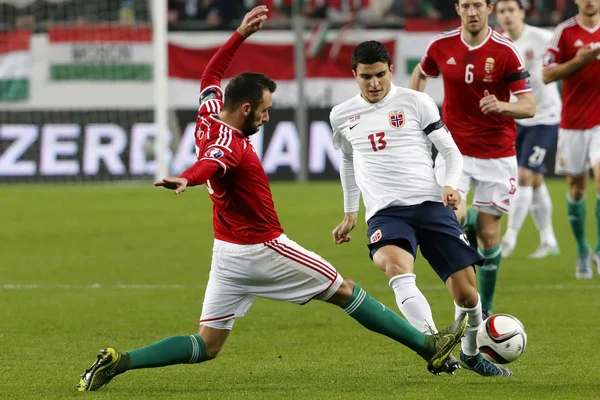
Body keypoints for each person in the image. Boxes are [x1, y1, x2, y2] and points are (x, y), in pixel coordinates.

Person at [76, 6, 468, 392]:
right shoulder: (232, 146)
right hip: (263, 246)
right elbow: (212, 163)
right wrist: (188, 178)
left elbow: (211, 74)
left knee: (207, 344)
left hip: (226, 254)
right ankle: (429, 346)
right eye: (263, 112)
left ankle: (120, 360)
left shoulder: (208, 114)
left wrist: (240, 35)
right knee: (347, 290)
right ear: (245, 109)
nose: (265, 119)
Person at [330, 41, 511, 377]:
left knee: (469, 297)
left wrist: (451, 185)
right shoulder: (341, 115)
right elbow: (347, 158)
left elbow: (452, 153)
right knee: (397, 269)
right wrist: (350, 211)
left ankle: (471, 353)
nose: (374, 83)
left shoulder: (416, 101)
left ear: (390, 71)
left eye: (380, 75)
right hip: (386, 213)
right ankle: (434, 344)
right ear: (354, 75)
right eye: (366, 76)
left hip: (430, 205)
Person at [410, 0, 536, 319]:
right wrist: (416, 116)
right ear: (458, 9)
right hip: (456, 151)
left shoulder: (506, 51)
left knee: (489, 234)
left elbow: (529, 106)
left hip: (497, 153)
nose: (472, 12)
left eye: (477, 5)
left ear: (489, 8)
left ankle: (487, 307)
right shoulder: (441, 45)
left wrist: (502, 106)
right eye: (466, 5)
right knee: (455, 214)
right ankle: (470, 304)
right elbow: (420, 74)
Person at [495, 0, 561, 259]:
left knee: (524, 175)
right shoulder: (498, 44)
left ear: (522, 13)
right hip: (516, 117)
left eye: (511, 10)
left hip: (545, 116)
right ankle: (548, 238)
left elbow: (564, 58)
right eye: (502, 11)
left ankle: (509, 238)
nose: (507, 15)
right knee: (534, 179)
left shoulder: (543, 38)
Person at [542, 0, 600, 279]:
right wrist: (580, 61)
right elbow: (546, 74)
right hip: (574, 123)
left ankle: (599, 250)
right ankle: (581, 251)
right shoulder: (564, 33)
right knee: (576, 189)